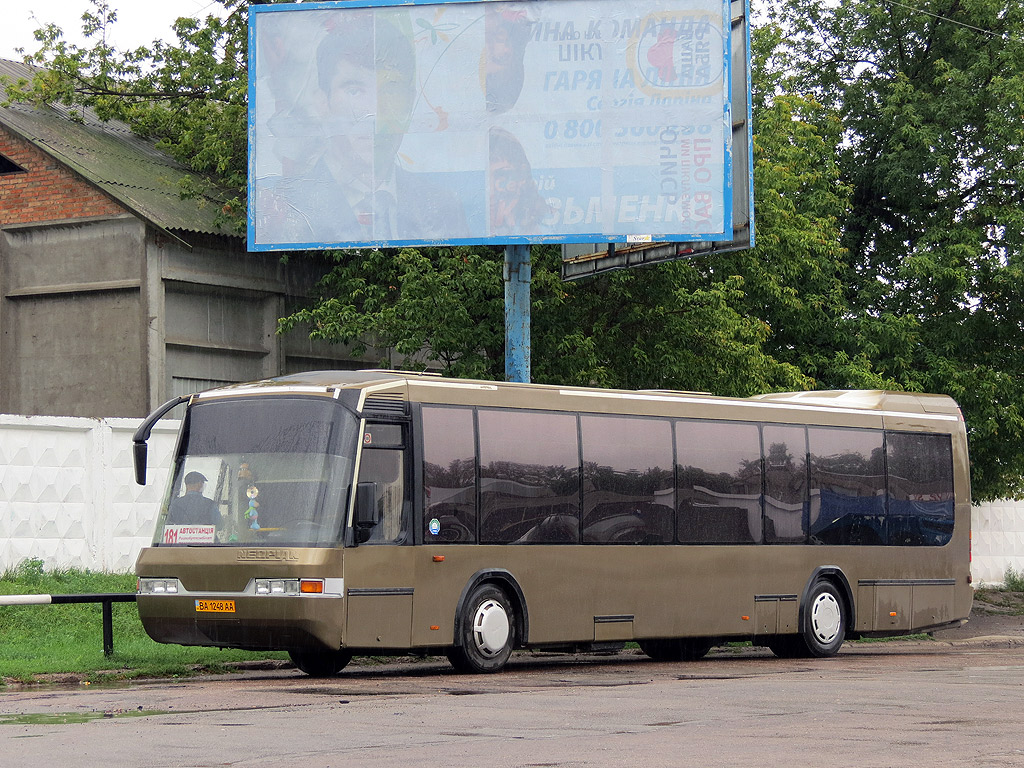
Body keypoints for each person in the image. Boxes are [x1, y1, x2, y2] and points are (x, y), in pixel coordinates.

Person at [257, 10, 468, 245]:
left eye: (391, 89)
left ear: (410, 101)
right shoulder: (288, 206)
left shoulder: (444, 207)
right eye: (354, 90)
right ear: (322, 102)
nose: (374, 113)